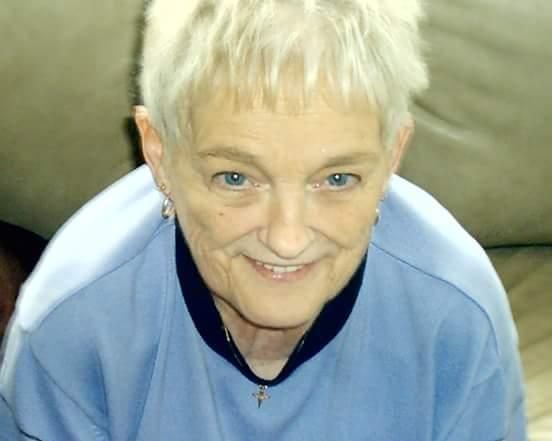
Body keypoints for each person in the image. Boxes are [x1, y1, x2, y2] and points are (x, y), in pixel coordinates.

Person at [0, 0, 527, 439]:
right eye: (236, 178)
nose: (288, 239)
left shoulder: (458, 318)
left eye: (337, 179)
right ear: (159, 154)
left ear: (392, 156)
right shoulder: (72, 325)